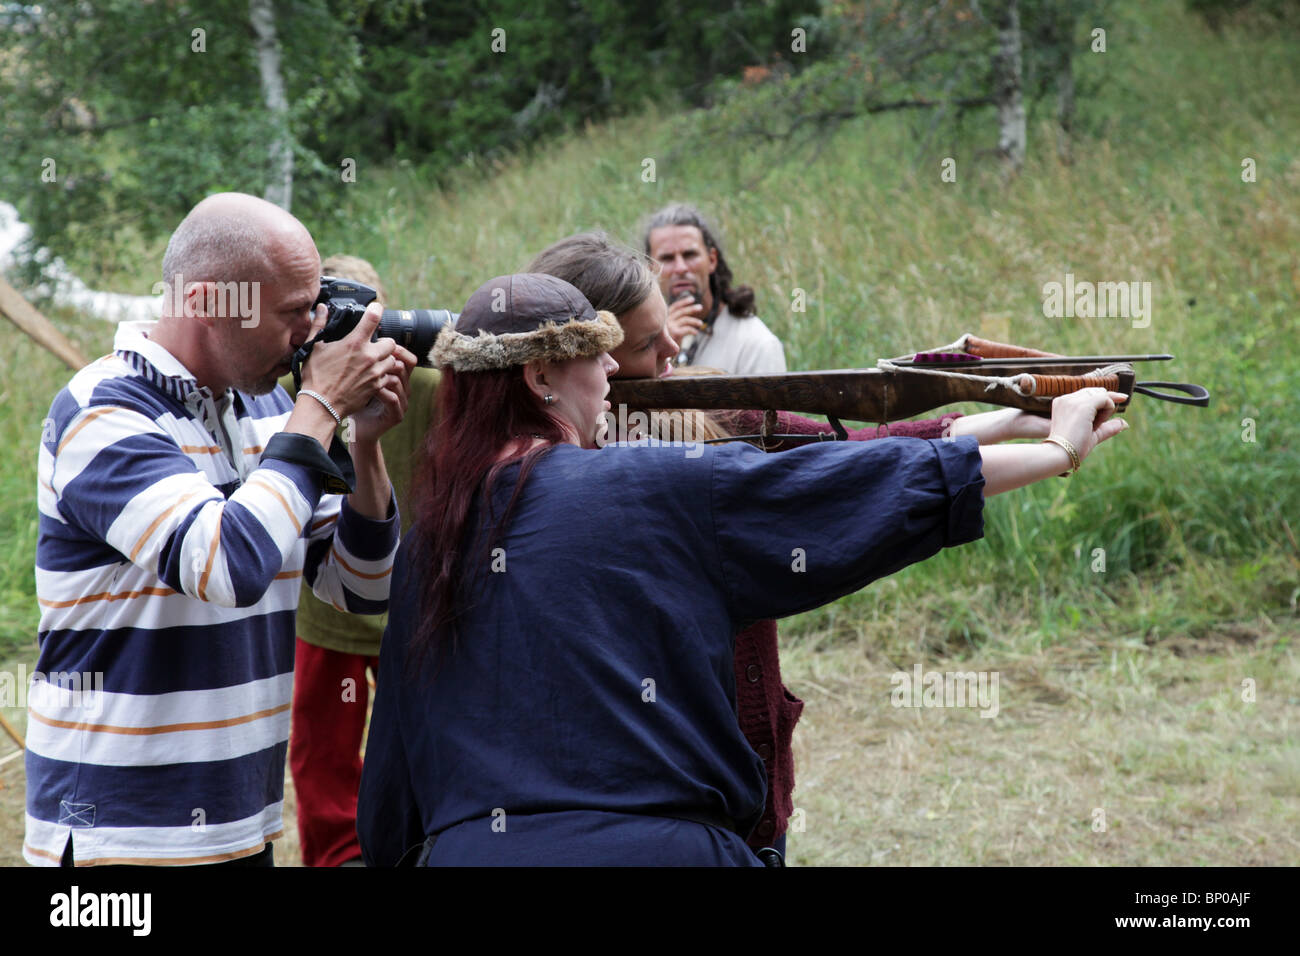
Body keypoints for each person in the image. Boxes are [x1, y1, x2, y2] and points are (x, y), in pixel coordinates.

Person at [356, 272, 1128, 866]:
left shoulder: (434, 541)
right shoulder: (655, 483)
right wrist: (1056, 451)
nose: (611, 384)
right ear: (541, 378)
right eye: (598, 358)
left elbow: (391, 786)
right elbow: (846, 482)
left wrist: (1004, 422)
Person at [26, 193, 414, 867]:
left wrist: (368, 443)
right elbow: (227, 567)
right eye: (295, 311)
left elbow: (363, 589)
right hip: (121, 834)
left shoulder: (269, 408)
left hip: (241, 823)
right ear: (209, 301)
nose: (313, 331)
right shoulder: (103, 412)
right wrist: (319, 409)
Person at [283, 254, 441, 867]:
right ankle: (338, 856)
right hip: (327, 604)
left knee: (415, 738)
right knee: (325, 749)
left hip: (405, 597)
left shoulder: (424, 388)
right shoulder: (291, 391)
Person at [644, 202, 786, 375]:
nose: (680, 268)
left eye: (690, 255)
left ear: (712, 260)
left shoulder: (756, 344)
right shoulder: (641, 340)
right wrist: (662, 348)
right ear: (651, 269)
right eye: (667, 258)